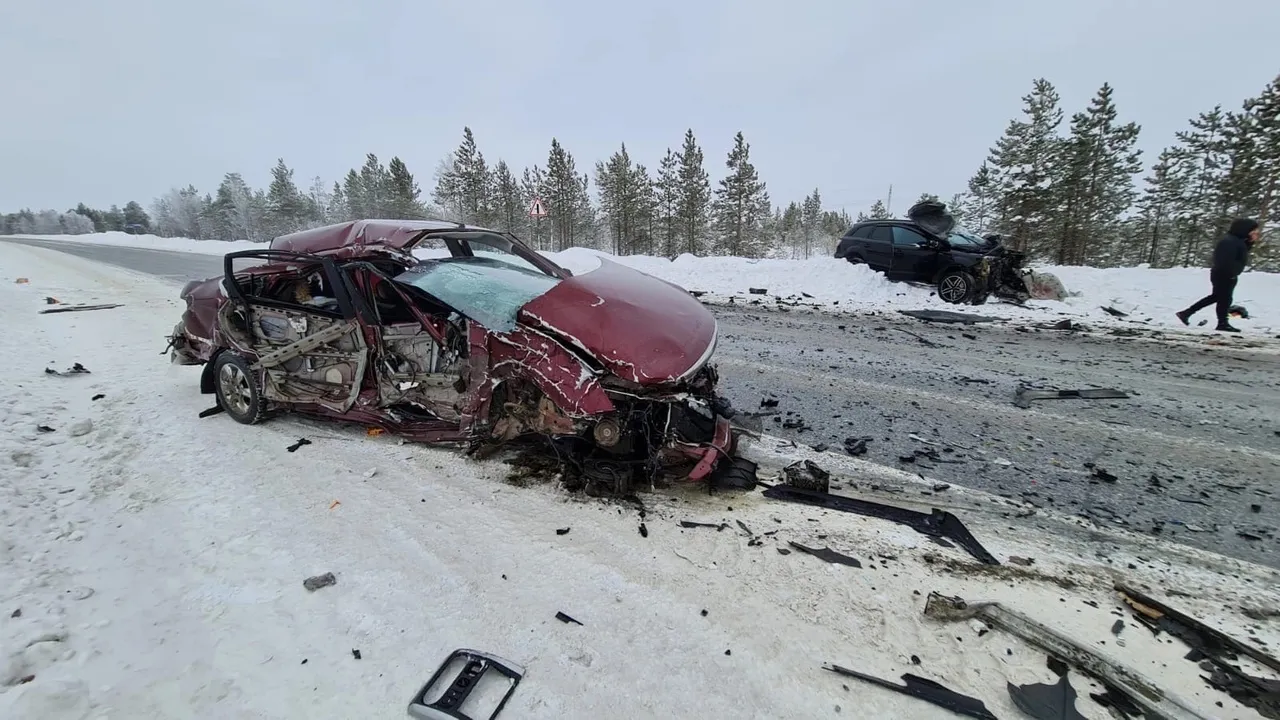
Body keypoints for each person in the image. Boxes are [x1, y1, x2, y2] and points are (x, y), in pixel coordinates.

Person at [1176, 218, 1261, 333]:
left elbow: (1240, 254)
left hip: (1225, 274)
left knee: (1218, 297)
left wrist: (1250, 242)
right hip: (1223, 274)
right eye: (1253, 231)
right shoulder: (1229, 242)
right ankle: (1221, 323)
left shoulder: (1236, 241)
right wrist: (1230, 273)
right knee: (1224, 299)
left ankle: (1187, 313)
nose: (1255, 233)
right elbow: (1225, 261)